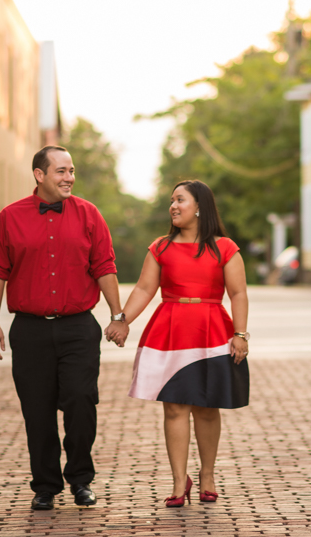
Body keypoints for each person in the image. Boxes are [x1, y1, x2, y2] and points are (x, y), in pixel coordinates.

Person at [0, 146, 124, 511]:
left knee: (81, 401)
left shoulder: (89, 215)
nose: (69, 178)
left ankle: (80, 479)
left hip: (78, 327)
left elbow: (104, 265)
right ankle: (45, 485)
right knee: (37, 410)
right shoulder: (9, 218)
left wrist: (117, 315)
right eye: (61, 171)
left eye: (72, 171)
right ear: (39, 174)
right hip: (29, 331)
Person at [104, 179, 250, 507]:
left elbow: (238, 293)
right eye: (171, 200)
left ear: (199, 207)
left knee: (207, 407)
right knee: (174, 407)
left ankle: (208, 475)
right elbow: (144, 289)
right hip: (169, 331)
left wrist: (240, 334)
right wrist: (122, 319)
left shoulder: (225, 247)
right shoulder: (160, 247)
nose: (173, 205)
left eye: (180, 200)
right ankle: (177, 481)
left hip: (211, 331)